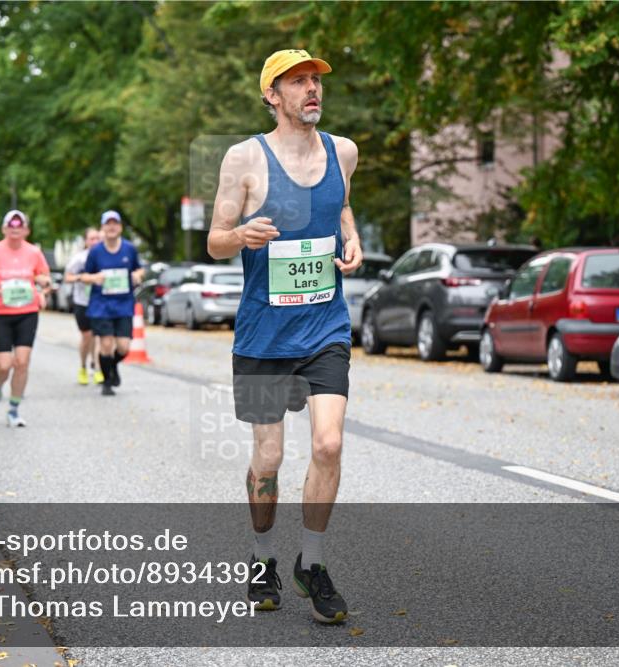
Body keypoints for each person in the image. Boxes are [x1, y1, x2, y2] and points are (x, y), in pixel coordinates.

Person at [206, 49, 362, 624]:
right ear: (272, 95)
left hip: (325, 325)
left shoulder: (342, 151)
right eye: (297, 82)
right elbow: (215, 241)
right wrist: (241, 233)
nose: (311, 89)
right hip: (264, 334)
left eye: (315, 80)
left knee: (328, 445)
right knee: (268, 458)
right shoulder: (244, 158)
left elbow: (342, 205)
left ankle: (312, 563)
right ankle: (263, 555)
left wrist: (352, 237)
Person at [0, 210, 51, 427]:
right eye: (10, 225)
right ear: (4, 229)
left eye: (20, 225)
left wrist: (44, 287)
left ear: (26, 230)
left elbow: (43, 276)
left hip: (27, 312)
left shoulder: (34, 252)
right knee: (4, 365)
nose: (15, 229)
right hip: (0, 313)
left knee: (22, 362)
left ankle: (14, 409)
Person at [80, 210, 144, 396]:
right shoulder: (95, 252)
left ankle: (113, 365)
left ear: (120, 227)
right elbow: (84, 276)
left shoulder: (129, 249)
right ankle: (107, 381)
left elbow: (140, 270)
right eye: (108, 224)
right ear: (103, 228)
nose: (111, 227)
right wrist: (94, 278)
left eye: (115, 223)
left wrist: (136, 276)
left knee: (124, 347)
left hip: (124, 304)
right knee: (106, 344)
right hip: (101, 305)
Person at [64, 227, 104, 385]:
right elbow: (67, 277)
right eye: (92, 239)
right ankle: (83, 367)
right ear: (86, 241)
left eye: (97, 239)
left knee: (99, 336)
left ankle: (98, 368)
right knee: (87, 337)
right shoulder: (79, 259)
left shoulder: (104, 257)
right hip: (82, 302)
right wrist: (81, 277)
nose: (95, 242)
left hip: (99, 302)